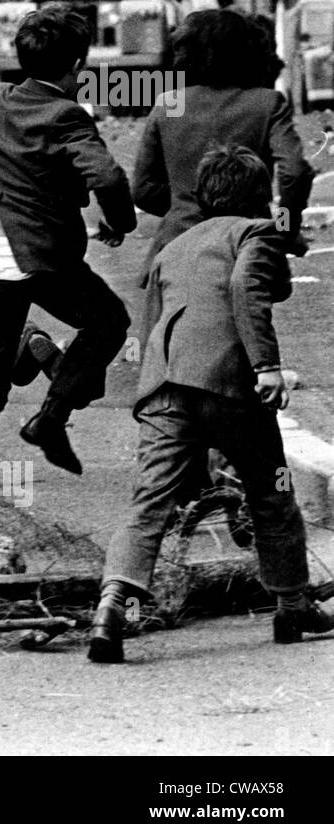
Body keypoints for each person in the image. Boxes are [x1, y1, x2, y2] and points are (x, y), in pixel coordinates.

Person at [88, 147, 334, 662]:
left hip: (164, 388)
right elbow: (249, 287)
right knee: (272, 490)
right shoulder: (256, 234)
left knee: (149, 502)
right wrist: (266, 366)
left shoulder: (172, 248)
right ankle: (293, 605)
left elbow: (152, 320)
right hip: (229, 385)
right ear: (259, 198)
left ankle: (112, 606)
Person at [0, 5, 134, 516]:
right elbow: (107, 178)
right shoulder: (67, 114)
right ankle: (50, 417)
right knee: (108, 322)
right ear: (78, 65)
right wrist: (120, 223)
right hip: (40, 257)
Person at [132, 7, 313, 277]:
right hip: (247, 241)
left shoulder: (170, 103)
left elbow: (144, 190)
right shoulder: (266, 102)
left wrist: (186, 207)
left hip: (179, 241)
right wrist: (286, 228)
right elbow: (295, 173)